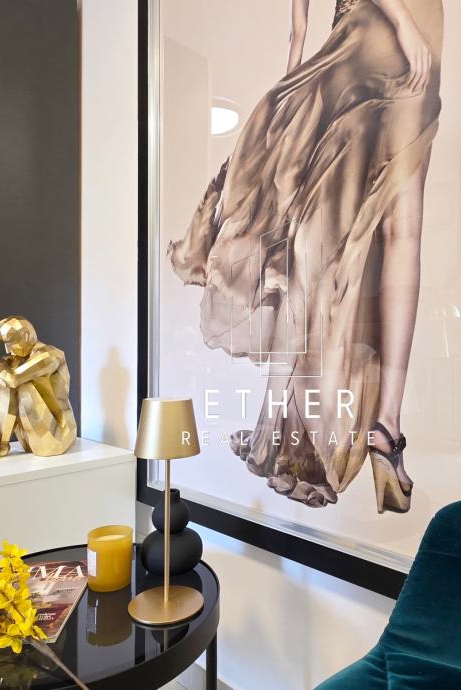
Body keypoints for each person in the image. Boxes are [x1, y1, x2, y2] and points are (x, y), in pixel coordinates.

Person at [169, 0, 443, 513]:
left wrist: (291, 91)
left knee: (322, 237)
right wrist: (405, 21)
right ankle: (387, 427)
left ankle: (292, 426)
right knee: (403, 231)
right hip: (412, 29)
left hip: (361, 38)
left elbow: (297, 32)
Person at [0, 316, 77, 467]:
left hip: (58, 434)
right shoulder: (17, 359)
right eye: (5, 343)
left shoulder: (50, 355)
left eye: (10, 342)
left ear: (26, 336)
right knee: (2, 376)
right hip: (30, 438)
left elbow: (13, 379)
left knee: (20, 385)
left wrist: (0, 367)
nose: (7, 350)